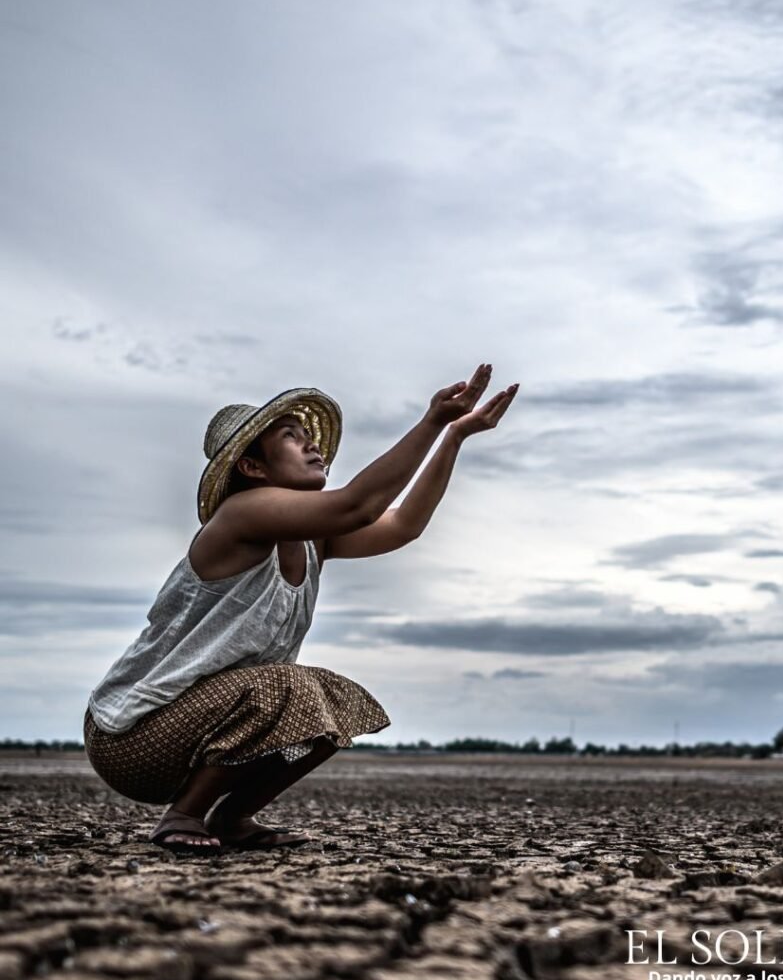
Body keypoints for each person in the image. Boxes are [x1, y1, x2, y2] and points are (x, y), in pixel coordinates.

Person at [82, 364, 518, 853]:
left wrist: (454, 437)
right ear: (252, 468)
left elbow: (402, 526)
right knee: (285, 684)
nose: (312, 445)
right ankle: (183, 815)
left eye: (309, 435)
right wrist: (431, 422)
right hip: (132, 736)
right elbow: (358, 505)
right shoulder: (243, 516)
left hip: (205, 730)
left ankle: (232, 816)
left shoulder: (314, 539)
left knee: (335, 698)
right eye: (292, 437)